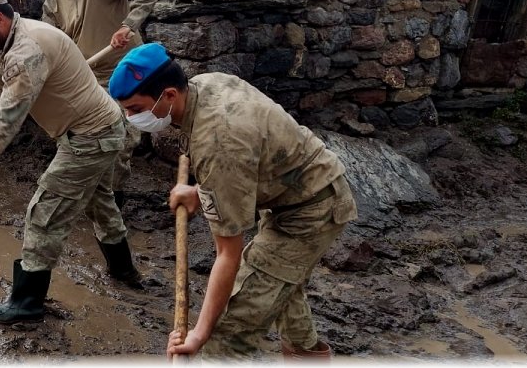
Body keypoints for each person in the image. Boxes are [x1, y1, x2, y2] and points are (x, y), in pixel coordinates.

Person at [108, 43, 357, 359]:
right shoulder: (206, 84)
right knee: (282, 290)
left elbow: (228, 253)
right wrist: (201, 192)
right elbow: (246, 161)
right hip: (294, 189)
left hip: (311, 211)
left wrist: (200, 334)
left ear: (169, 94)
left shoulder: (218, 142)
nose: (131, 118)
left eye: (135, 109)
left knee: (229, 329)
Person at [0, 0, 144, 325]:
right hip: (98, 129)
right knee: (100, 203)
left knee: (44, 213)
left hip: (91, 137)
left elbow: (7, 127)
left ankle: (27, 304)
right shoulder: (12, 39)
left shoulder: (26, 52)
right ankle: (124, 270)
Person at [27, 0, 163, 209]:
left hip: (125, 72)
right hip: (86, 77)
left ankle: (112, 204)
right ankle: (86, 197)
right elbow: (48, 39)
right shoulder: (54, 0)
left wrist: (128, 25)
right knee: (81, 136)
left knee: (118, 140)